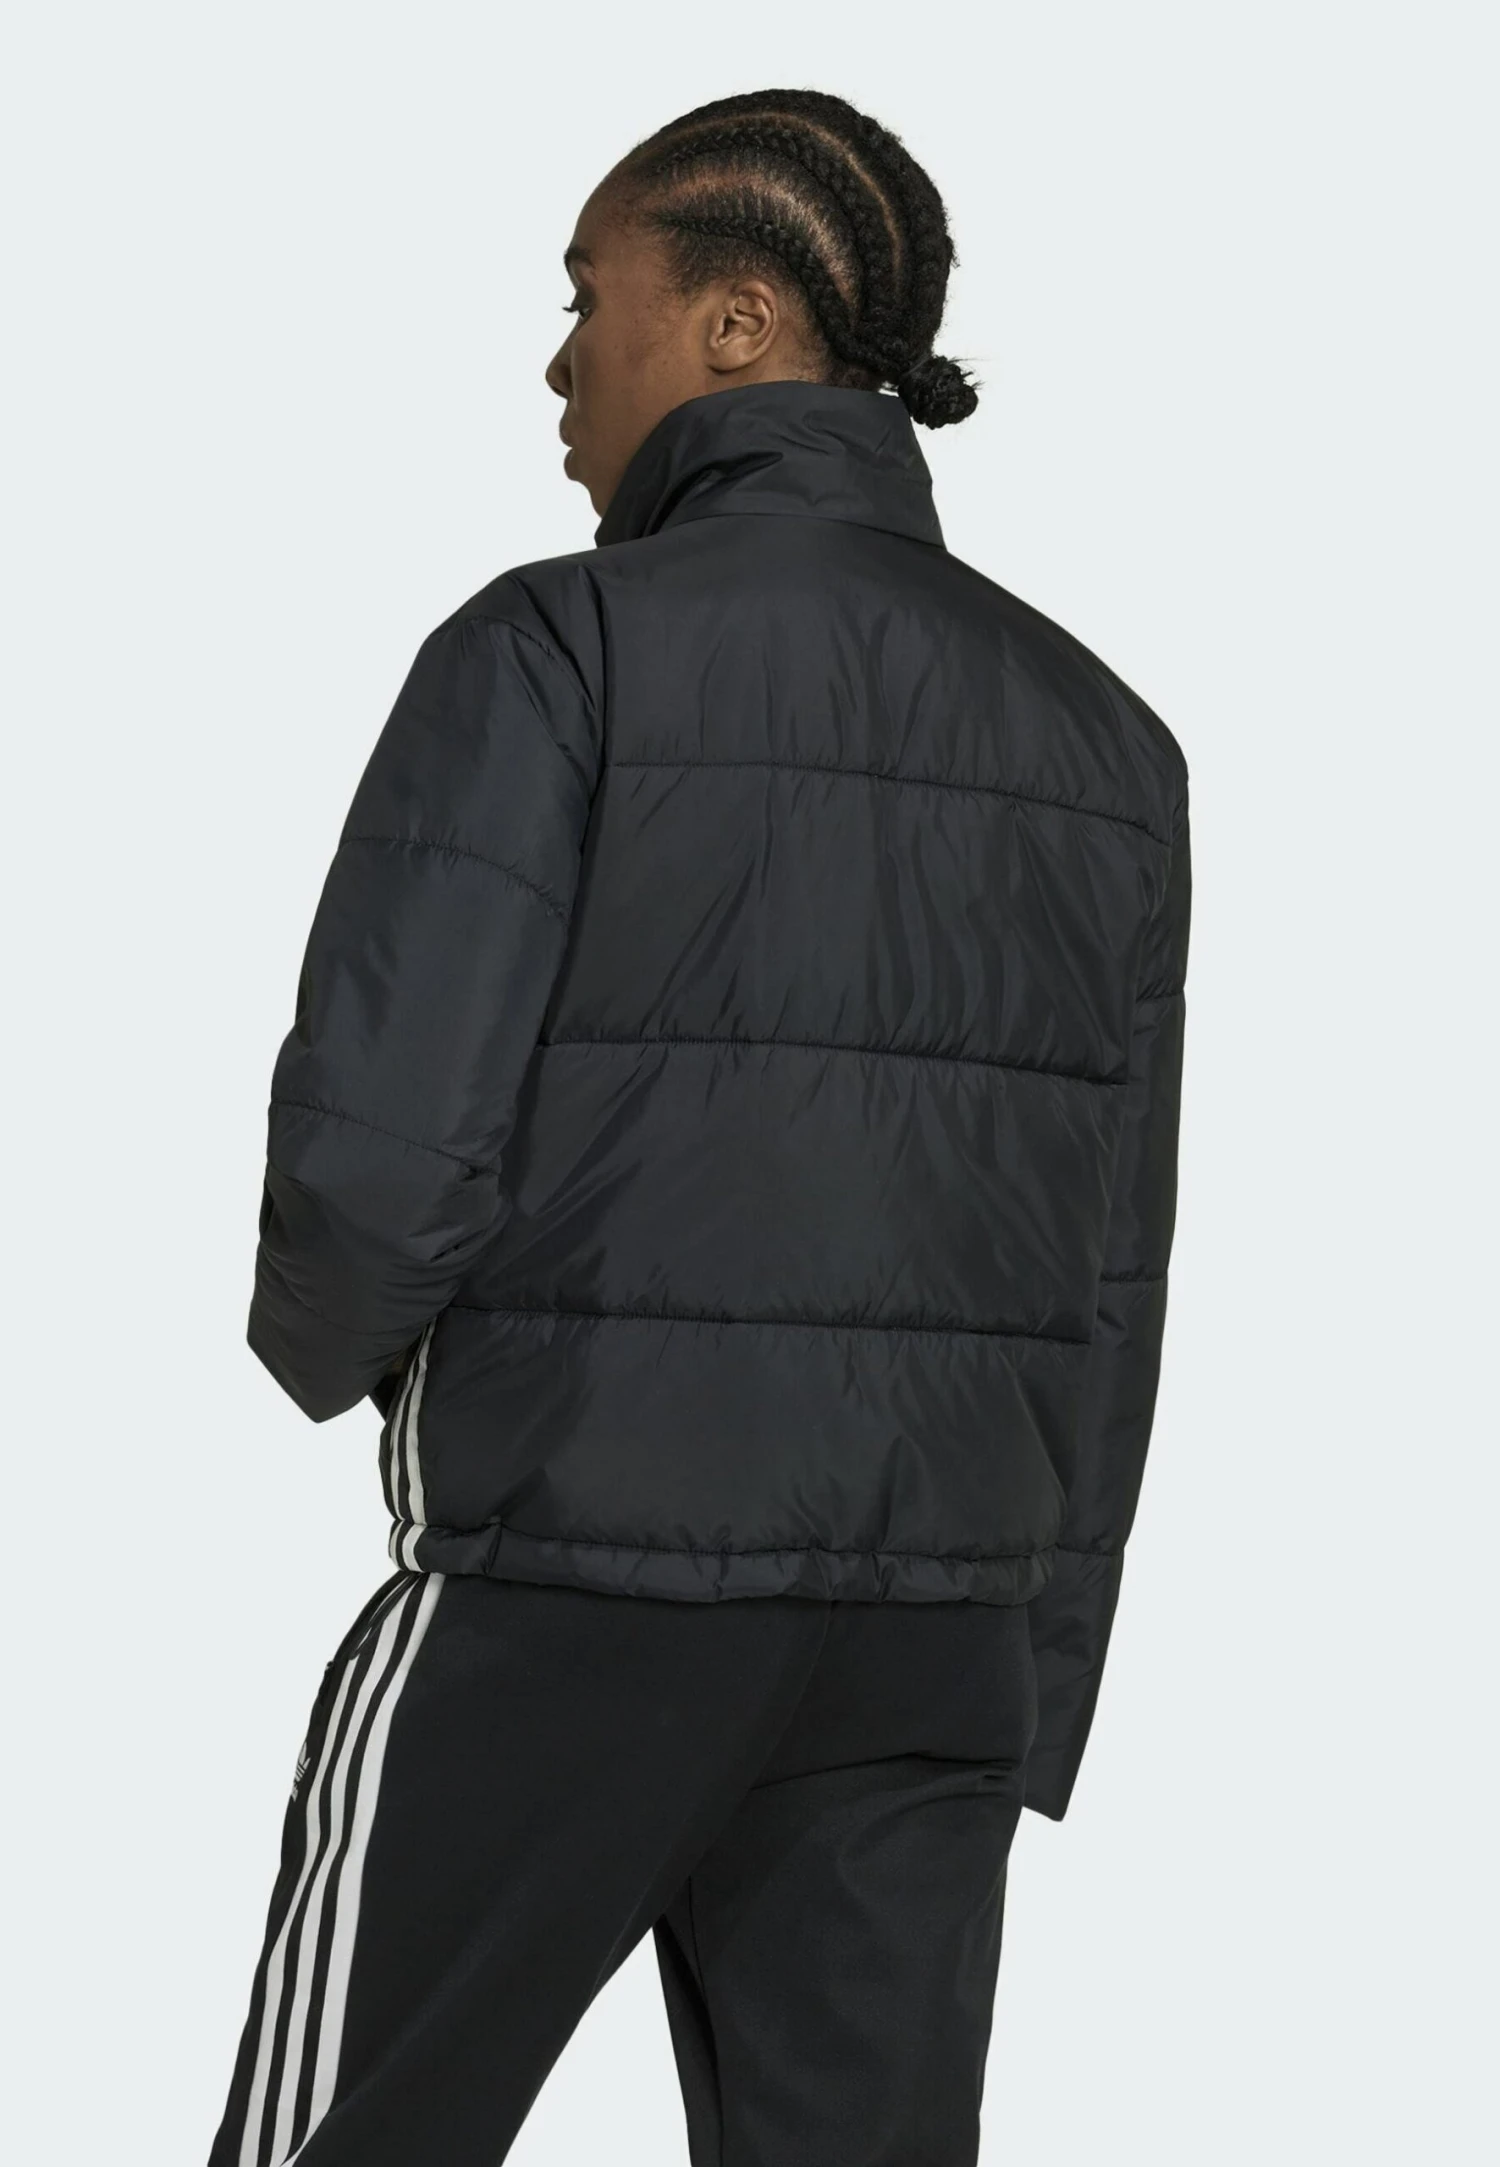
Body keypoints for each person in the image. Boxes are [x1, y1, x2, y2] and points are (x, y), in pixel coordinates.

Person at [207, 86, 1192, 2167]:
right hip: (937, 1633)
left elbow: (384, 1153)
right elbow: (1113, 1264)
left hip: (583, 1572)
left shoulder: (557, 647)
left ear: (739, 322)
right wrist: (1035, 1662)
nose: (559, 361)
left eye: (589, 296)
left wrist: (333, 1353)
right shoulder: (1106, 736)